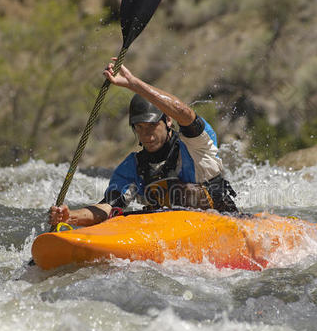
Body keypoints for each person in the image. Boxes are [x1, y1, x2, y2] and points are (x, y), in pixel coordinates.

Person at [49, 60, 237, 227]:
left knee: (181, 192)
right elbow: (107, 207)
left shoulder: (196, 144)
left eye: (153, 125)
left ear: (168, 121)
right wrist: (70, 217)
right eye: (139, 127)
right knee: (123, 217)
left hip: (222, 224)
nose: (146, 134)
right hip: (173, 233)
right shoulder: (133, 166)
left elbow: (183, 111)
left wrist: (134, 85)